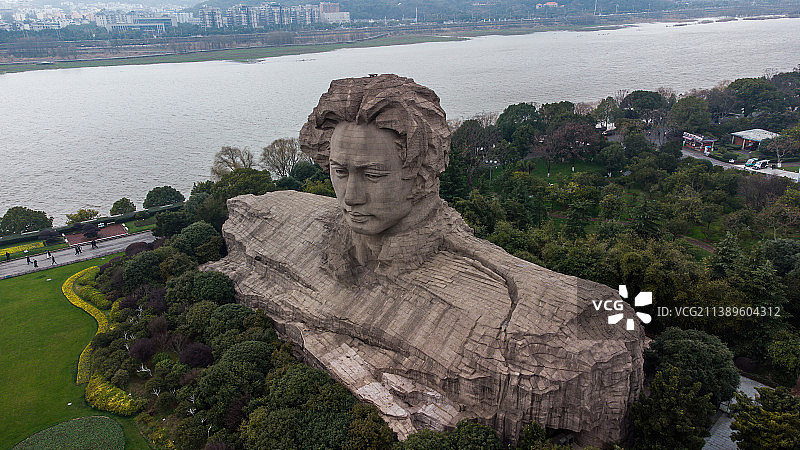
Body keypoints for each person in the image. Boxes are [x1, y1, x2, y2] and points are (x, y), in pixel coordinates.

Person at [207, 74, 645, 446]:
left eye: (372, 174)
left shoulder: (504, 293)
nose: (350, 196)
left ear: (421, 174)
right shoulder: (293, 227)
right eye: (339, 172)